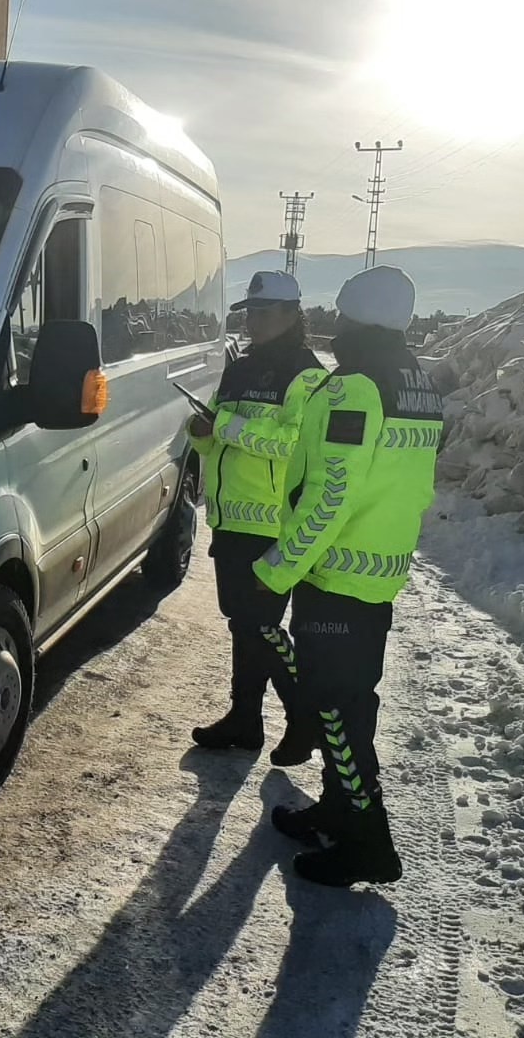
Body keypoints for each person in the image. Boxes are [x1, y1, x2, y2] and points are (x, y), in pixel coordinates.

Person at [256, 265, 442, 887]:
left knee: (337, 712)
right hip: (378, 570)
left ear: (355, 317)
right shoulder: (415, 382)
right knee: (348, 704)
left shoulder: (355, 387)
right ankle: (339, 808)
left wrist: (278, 571)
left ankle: (369, 843)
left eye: (340, 313)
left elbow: (331, 493)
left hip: (336, 573)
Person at [189, 270, 327, 764]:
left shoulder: (308, 375)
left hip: (271, 524)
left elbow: (290, 444)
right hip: (231, 520)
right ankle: (245, 719)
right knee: (243, 625)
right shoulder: (240, 366)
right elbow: (219, 435)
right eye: (250, 311)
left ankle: (303, 718)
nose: (255, 320)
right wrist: (202, 431)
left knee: (262, 627)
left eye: (265, 312)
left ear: (293, 315)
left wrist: (224, 426)